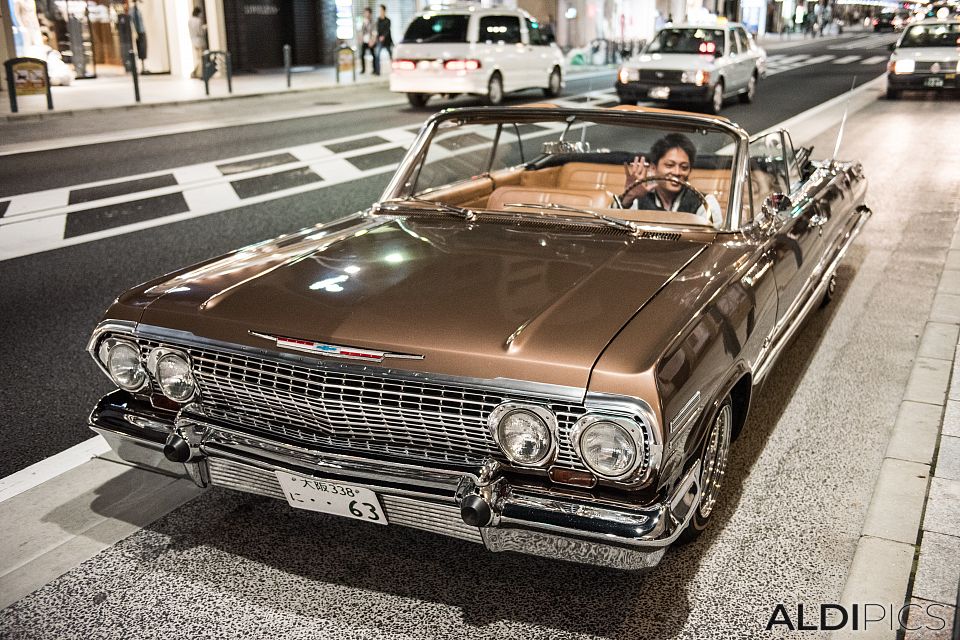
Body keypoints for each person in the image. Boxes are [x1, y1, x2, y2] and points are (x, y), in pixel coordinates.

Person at [619, 133, 722, 226]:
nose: (677, 172)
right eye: (669, 165)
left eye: (684, 167)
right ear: (653, 168)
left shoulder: (705, 203)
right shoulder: (637, 199)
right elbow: (612, 230)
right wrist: (628, 198)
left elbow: (712, 240)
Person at [373, 4, 392, 75]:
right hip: (379, 41)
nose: (380, 12)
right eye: (379, 10)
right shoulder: (378, 20)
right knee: (377, 54)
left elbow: (387, 30)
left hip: (387, 41)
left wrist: (383, 36)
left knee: (391, 55)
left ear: (384, 11)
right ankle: (377, 71)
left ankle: (393, 70)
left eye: (381, 10)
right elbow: (376, 30)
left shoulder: (388, 20)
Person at [188, 7, 206, 78]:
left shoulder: (190, 20)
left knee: (198, 57)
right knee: (201, 58)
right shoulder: (198, 21)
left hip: (193, 40)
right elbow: (200, 32)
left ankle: (195, 72)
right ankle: (198, 73)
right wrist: (204, 29)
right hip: (199, 40)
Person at [130, 0, 147, 73]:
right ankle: (142, 67)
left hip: (142, 31)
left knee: (144, 48)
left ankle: (143, 67)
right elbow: (132, 23)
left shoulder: (138, 9)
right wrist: (135, 33)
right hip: (139, 33)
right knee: (141, 49)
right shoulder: (133, 11)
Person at [358, 7, 377, 74]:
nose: (366, 14)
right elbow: (361, 31)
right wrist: (360, 38)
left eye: (367, 12)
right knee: (362, 54)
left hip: (371, 41)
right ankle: (363, 69)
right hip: (364, 41)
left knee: (373, 55)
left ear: (370, 13)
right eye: (365, 13)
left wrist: (372, 40)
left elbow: (374, 32)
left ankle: (374, 69)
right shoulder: (363, 21)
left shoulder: (373, 22)